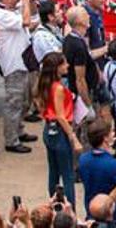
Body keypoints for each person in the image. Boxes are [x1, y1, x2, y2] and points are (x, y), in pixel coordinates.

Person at [0, 0, 38, 153]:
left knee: (22, 100)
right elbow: (26, 21)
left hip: (22, 61)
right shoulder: (1, 14)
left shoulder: (10, 10)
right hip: (13, 64)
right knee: (13, 102)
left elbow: (31, 17)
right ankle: (11, 140)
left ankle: (18, 131)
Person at [36, 51, 82, 204]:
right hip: (61, 132)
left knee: (54, 171)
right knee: (67, 174)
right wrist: (73, 138)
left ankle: (53, 204)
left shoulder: (43, 84)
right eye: (64, 63)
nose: (67, 65)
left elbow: (41, 106)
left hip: (49, 130)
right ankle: (70, 211)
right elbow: (61, 116)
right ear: (57, 67)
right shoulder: (59, 88)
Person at [77, 118, 116, 222]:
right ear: (105, 138)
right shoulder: (113, 165)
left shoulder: (83, 159)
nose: (114, 134)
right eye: (111, 132)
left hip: (92, 211)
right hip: (115, 215)